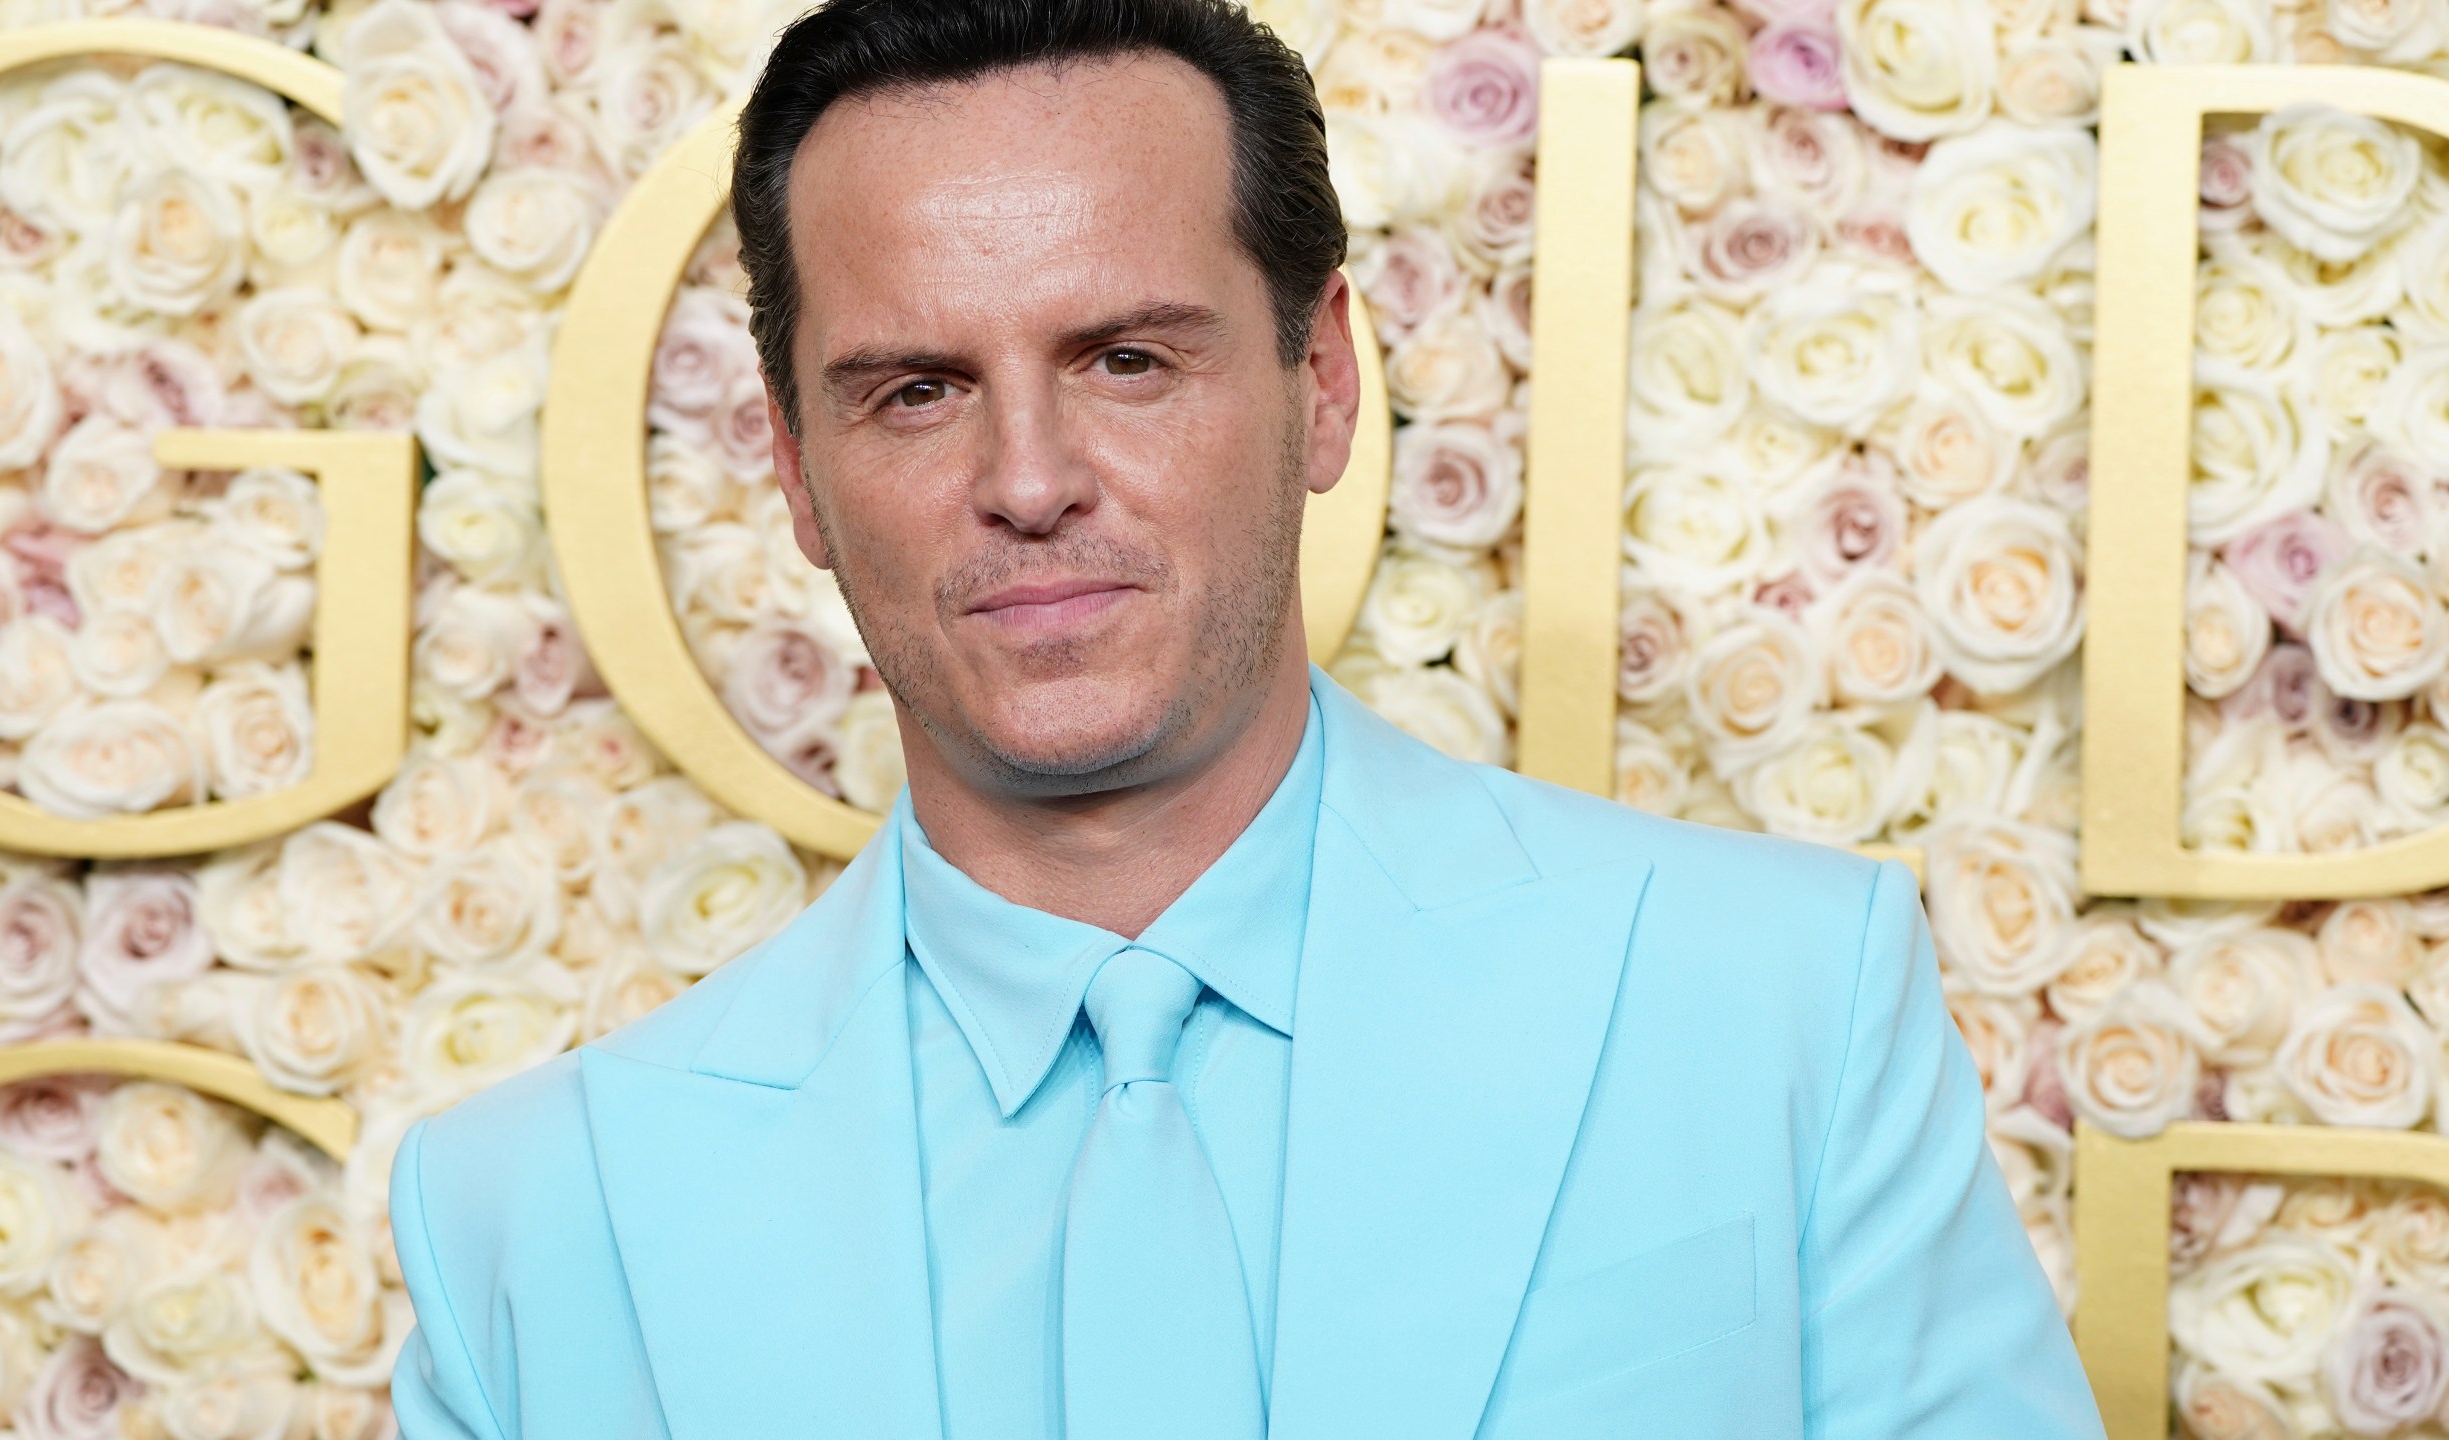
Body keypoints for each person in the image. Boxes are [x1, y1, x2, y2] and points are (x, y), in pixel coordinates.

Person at [386, 0, 2104, 1435]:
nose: (1031, 482)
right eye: (917, 392)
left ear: (1325, 380)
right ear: (798, 473)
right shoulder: (534, 1217)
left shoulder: (1785, 1006)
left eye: (1129, 359)